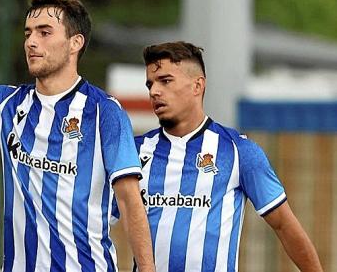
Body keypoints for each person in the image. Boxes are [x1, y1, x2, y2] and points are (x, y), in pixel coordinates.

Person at [0, 0, 155, 272]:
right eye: (28, 33)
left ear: (75, 43)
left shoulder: (103, 112)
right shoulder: (5, 104)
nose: (31, 42)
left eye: (45, 32)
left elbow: (130, 202)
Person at [129, 41, 323, 271]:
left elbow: (284, 225)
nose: (154, 91)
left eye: (166, 81)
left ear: (197, 86)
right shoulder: (133, 152)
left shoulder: (238, 151)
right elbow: (95, 219)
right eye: (150, 84)